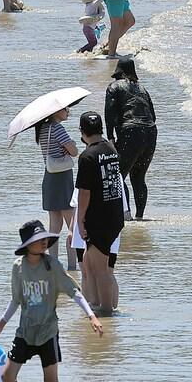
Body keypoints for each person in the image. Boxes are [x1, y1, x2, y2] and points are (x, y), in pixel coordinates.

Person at [0, 221, 103, 382]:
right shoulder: (18, 267)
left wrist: (91, 316)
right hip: (25, 331)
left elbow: (74, 292)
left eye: (44, 238)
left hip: (48, 332)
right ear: (27, 245)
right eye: (38, 240)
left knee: (50, 381)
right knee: (7, 377)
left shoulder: (52, 266)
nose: (43, 242)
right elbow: (15, 301)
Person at [75, 111, 125, 314]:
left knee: (101, 269)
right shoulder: (110, 149)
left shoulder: (87, 156)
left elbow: (84, 194)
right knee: (88, 264)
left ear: (82, 132)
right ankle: (95, 305)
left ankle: (106, 312)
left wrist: (80, 221)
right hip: (114, 215)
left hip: (99, 219)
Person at [104, 57, 157, 219]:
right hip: (150, 132)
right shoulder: (142, 89)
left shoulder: (114, 87)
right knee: (139, 177)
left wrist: (110, 137)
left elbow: (109, 113)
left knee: (118, 175)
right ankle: (140, 216)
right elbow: (153, 116)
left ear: (118, 71)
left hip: (130, 132)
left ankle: (126, 216)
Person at [35, 107, 80, 269]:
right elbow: (74, 152)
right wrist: (72, 144)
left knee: (54, 227)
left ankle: (52, 265)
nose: (68, 111)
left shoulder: (43, 128)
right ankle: (73, 267)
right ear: (55, 112)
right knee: (72, 226)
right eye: (65, 109)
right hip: (62, 179)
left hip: (49, 178)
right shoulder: (57, 128)